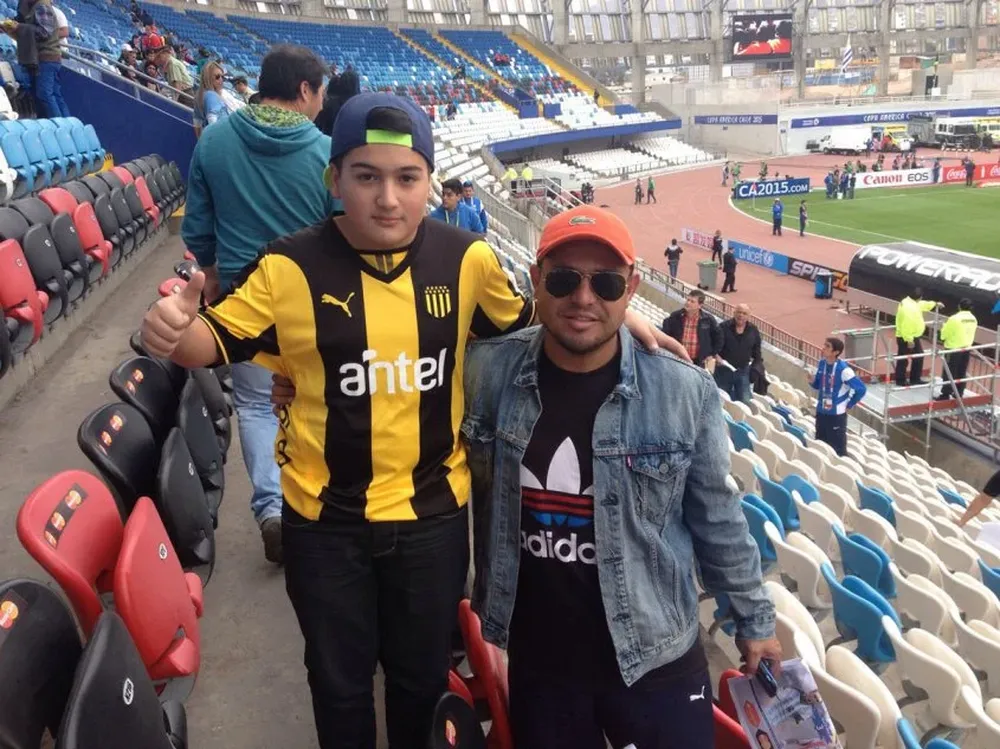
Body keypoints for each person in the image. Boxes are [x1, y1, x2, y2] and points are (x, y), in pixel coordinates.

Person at [146, 91, 688, 749]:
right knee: (338, 683)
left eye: (406, 178)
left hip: (431, 520)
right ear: (334, 179)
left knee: (421, 681)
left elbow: (532, 323)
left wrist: (619, 316)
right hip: (324, 522)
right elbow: (214, 340)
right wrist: (174, 330)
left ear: (430, 181)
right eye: (366, 176)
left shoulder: (469, 261)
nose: (387, 198)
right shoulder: (288, 265)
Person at [462, 205, 780, 749]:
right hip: (543, 660)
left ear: (631, 288)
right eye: (563, 280)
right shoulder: (485, 372)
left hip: (656, 656)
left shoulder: (684, 391)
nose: (583, 298)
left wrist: (754, 619)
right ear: (536, 281)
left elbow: (718, 518)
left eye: (605, 283)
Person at [181, 44, 333, 563]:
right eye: (320, 94)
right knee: (317, 394)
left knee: (254, 404)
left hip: (244, 296)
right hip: (315, 296)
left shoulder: (215, 142)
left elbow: (198, 228)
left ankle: (272, 509)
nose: (321, 105)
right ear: (306, 90)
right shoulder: (324, 151)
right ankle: (320, 503)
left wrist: (214, 271)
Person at [5, 0, 71, 117]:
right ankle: (54, 124)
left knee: (44, 94)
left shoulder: (42, 6)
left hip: (47, 58)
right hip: (35, 58)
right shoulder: (26, 6)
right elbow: (18, 22)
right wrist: (7, 25)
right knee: (46, 95)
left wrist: (19, 27)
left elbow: (44, 32)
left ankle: (58, 125)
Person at [811, 337, 866, 457]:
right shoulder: (822, 364)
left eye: (827, 346)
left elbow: (861, 389)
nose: (823, 348)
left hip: (836, 415)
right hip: (821, 411)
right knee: (820, 445)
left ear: (836, 352)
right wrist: (812, 381)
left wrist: (850, 404)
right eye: (824, 345)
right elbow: (817, 386)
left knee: (838, 450)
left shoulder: (844, 370)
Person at [663, 289, 722, 369]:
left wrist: (712, 354)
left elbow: (719, 338)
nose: (688, 303)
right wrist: (672, 350)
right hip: (679, 359)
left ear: (700, 305)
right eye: (688, 300)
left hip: (701, 362)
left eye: (692, 301)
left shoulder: (708, 320)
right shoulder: (676, 316)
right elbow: (666, 333)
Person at [894, 288, 941, 387]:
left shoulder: (908, 302)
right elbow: (906, 325)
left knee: (907, 357)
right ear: (919, 298)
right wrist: (909, 340)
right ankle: (906, 379)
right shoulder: (909, 308)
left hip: (907, 335)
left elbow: (923, 304)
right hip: (908, 337)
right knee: (908, 358)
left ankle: (905, 379)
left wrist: (934, 304)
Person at [716, 304, 761, 404]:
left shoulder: (753, 330)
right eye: (739, 312)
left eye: (744, 313)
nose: (741, 315)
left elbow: (757, 352)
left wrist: (756, 369)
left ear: (749, 316)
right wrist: (717, 357)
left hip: (743, 371)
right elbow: (713, 347)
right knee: (720, 400)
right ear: (734, 313)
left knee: (745, 401)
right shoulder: (723, 327)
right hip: (723, 371)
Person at [936, 298, 977, 401]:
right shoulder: (973, 319)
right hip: (966, 349)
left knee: (949, 372)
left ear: (959, 306)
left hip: (953, 348)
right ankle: (959, 392)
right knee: (961, 371)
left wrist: (943, 328)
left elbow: (944, 334)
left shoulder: (954, 319)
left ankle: (945, 394)